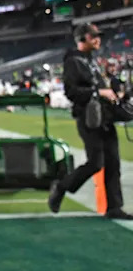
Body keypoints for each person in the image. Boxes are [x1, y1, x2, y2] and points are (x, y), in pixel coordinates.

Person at [49, 24, 133, 219]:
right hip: (89, 118)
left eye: (98, 36)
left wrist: (116, 92)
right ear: (82, 38)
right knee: (96, 163)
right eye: (93, 36)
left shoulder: (91, 60)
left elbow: (102, 88)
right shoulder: (73, 61)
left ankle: (114, 207)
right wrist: (98, 92)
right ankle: (61, 186)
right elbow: (71, 92)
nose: (98, 39)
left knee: (113, 163)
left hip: (105, 117)